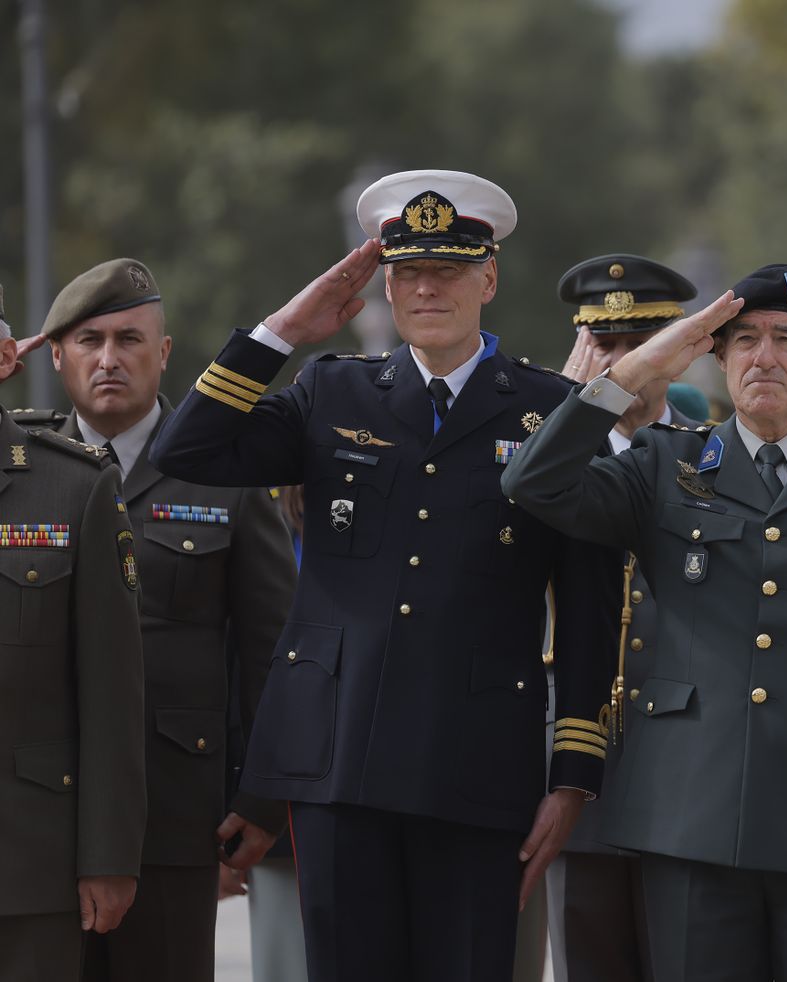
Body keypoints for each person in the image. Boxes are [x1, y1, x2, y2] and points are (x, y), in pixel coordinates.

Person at [147, 169, 619, 981]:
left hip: (478, 768)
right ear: (384, 288)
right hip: (340, 763)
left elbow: (587, 603)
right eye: (407, 274)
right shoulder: (332, 390)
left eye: (448, 271)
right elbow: (185, 449)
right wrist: (283, 330)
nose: (426, 288)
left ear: (490, 278)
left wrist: (573, 774)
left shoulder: (547, 410)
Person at [502, 264, 787, 982]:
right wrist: (634, 370)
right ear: (715, 354)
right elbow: (533, 482)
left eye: (784, 338)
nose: (763, 357)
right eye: (743, 340)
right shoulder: (662, 466)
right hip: (693, 823)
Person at [33, 257, 297, 981]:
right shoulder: (26, 473)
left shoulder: (226, 473)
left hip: (176, 815)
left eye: (129, 339)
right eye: (88, 341)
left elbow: (271, 648)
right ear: (56, 354)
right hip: (40, 817)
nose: (109, 359)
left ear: (165, 351)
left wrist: (263, 800)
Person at [542, 253, 700, 982]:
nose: (622, 364)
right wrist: (566, 416)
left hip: (690, 777)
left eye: (641, 346)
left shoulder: (715, 457)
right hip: (577, 771)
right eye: (605, 346)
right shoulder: (538, 458)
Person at [0, 285, 147, 981]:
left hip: (28, 864)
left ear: (6, 357)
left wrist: (110, 858)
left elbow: (112, 695)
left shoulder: (74, 489)